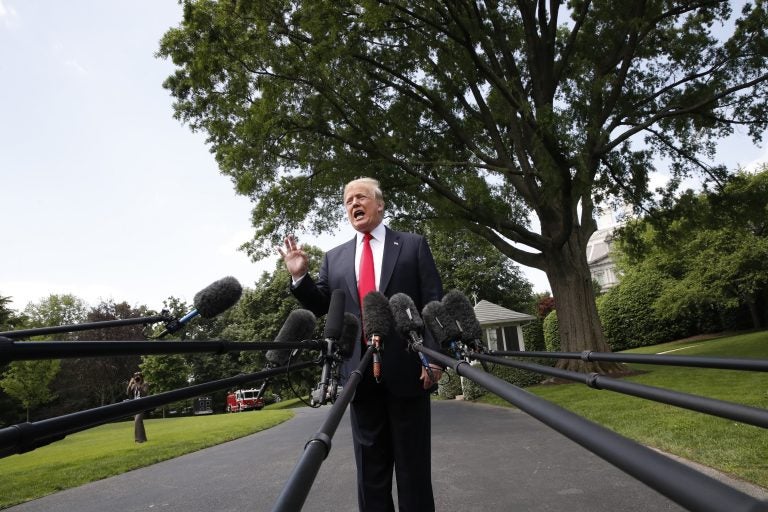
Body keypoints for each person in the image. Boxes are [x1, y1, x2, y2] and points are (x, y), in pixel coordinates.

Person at [278, 177, 444, 512]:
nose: (354, 203)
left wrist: (434, 357)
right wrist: (300, 277)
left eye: (362, 197)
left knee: (413, 470)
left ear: (379, 204)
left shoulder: (412, 245)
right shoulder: (334, 258)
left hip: (409, 370)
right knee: (370, 472)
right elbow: (323, 304)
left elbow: (432, 302)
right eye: (348, 199)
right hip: (358, 374)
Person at [127, 371, 148, 443]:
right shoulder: (134, 385)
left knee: (137, 421)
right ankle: (143, 439)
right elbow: (128, 393)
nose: (138, 379)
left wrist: (139, 386)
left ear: (142, 377)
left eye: (139, 377)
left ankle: (139, 439)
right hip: (135, 405)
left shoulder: (145, 384)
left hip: (142, 404)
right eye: (136, 377)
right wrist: (130, 384)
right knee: (139, 422)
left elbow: (145, 394)